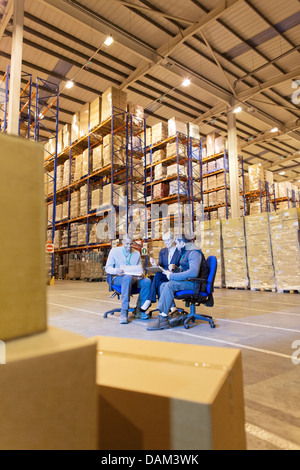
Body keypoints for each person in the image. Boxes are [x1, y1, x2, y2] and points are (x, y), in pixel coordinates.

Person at [147, 235, 209, 331]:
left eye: (177, 243)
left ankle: (162, 319)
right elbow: (186, 269)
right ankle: (167, 313)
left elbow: (193, 272)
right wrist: (176, 269)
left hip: (196, 284)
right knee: (163, 285)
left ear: (183, 243)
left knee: (170, 284)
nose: (176, 245)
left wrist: (172, 276)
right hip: (190, 281)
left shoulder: (194, 253)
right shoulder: (187, 252)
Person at [105, 234, 151, 324]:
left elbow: (139, 269)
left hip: (133, 278)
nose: (129, 246)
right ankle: (124, 310)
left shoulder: (136, 253)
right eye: (126, 244)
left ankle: (139, 310)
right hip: (118, 278)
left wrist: (141, 274)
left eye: (131, 244)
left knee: (147, 281)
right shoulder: (114, 251)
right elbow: (107, 268)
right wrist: (116, 270)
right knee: (127, 277)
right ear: (122, 242)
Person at [140, 232, 181, 313]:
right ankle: (171, 308)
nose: (166, 243)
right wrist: (155, 265)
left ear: (173, 240)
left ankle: (149, 300)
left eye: (168, 241)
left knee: (159, 283)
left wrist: (174, 268)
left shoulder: (179, 251)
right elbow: (161, 265)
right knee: (159, 275)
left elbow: (182, 267)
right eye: (164, 241)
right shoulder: (163, 251)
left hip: (174, 275)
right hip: (164, 274)